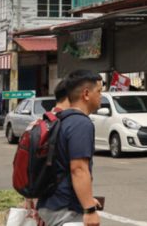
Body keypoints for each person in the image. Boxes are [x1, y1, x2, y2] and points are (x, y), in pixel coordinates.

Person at [37, 70, 103, 226]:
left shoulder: (61, 119)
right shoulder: (80, 123)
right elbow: (78, 169)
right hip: (65, 209)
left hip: (50, 202)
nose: (101, 96)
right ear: (86, 94)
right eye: (99, 91)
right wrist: (89, 210)